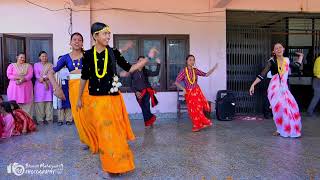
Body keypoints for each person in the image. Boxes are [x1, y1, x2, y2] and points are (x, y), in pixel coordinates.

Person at [77, 22, 148, 177]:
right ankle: (111, 165)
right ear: (95, 36)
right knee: (104, 133)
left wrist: (140, 64)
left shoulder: (113, 52)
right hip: (96, 101)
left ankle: (119, 163)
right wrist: (79, 98)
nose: (108, 36)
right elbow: (84, 77)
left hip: (113, 99)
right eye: (105, 34)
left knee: (115, 133)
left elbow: (128, 67)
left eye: (109, 34)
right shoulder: (88, 55)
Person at [249, 43, 303, 138]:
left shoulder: (286, 60)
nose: (278, 49)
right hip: (275, 87)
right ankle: (279, 129)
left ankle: (289, 128)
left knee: (290, 108)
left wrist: (301, 56)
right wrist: (253, 84)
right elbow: (262, 75)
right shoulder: (272, 61)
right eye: (276, 48)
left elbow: (297, 66)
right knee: (280, 109)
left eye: (280, 47)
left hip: (284, 87)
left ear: (283, 49)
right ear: (273, 51)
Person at [175, 55, 218, 132]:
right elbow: (177, 82)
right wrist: (183, 89)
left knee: (199, 108)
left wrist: (214, 68)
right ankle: (197, 125)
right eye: (190, 60)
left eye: (193, 60)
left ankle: (201, 124)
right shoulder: (183, 71)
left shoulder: (195, 70)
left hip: (197, 91)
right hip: (189, 93)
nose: (192, 62)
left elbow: (206, 74)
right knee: (193, 110)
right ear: (186, 61)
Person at [130, 56, 160, 127]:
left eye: (142, 61)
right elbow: (130, 84)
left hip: (146, 92)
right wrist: (136, 92)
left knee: (146, 106)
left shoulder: (145, 71)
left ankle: (147, 123)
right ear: (137, 62)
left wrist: (158, 64)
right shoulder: (133, 71)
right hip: (138, 93)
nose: (141, 62)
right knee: (143, 107)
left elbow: (155, 73)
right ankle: (151, 119)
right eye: (139, 61)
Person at [34, 51, 53, 125]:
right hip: (39, 86)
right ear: (39, 57)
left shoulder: (50, 65)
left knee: (49, 102)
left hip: (49, 85)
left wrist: (44, 78)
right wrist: (42, 80)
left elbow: (51, 74)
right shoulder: (36, 65)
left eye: (45, 56)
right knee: (40, 102)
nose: (44, 57)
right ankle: (40, 119)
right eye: (42, 56)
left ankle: (49, 118)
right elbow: (36, 75)